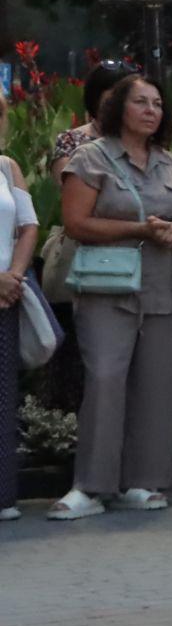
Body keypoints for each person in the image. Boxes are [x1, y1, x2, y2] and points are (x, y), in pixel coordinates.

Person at [49, 73, 172, 520]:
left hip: (164, 284)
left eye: (157, 103)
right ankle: (90, 487)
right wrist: (139, 229)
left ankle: (142, 481)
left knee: (157, 386)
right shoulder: (90, 157)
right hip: (107, 286)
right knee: (105, 380)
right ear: (119, 108)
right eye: (141, 102)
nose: (152, 110)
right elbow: (77, 223)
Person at [39, 58, 136, 418]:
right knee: (80, 355)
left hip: (136, 263)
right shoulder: (73, 140)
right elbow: (77, 198)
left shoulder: (145, 142)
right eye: (114, 95)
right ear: (96, 98)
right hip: (84, 260)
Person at [0, 92, 40, 522]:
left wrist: (13, 275)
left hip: (5, 296)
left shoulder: (7, 167)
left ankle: (2, 494)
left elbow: (29, 225)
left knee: (3, 399)